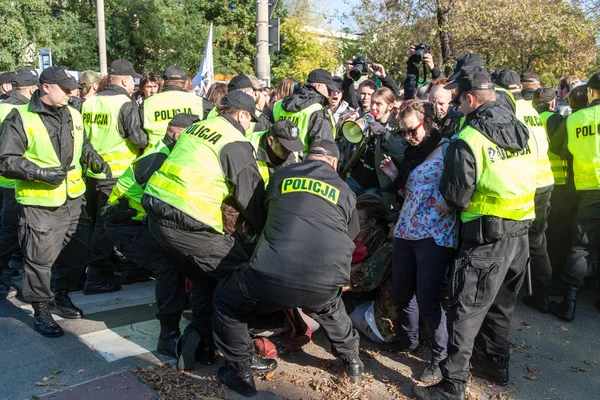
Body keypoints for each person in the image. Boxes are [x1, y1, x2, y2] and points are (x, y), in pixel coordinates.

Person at [414, 72, 536, 399]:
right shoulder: (520, 127)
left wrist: (444, 205)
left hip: (485, 237)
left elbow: (455, 195)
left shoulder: (469, 137)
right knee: (500, 307)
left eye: (457, 100)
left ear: (470, 99)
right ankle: (496, 367)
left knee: (465, 312)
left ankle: (452, 388)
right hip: (521, 233)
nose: (455, 106)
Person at [212, 139, 363, 397]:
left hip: (271, 274)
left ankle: (241, 373)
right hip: (323, 280)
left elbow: (265, 214)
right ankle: (353, 362)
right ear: (334, 163)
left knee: (227, 302)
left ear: (307, 158)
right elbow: (352, 233)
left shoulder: (282, 175)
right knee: (331, 307)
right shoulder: (344, 190)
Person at [142, 91, 265, 371]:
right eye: (250, 121)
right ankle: (242, 356)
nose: (250, 127)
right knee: (240, 277)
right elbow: (251, 195)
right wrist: (265, 228)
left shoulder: (198, 127)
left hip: (158, 214)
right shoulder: (234, 139)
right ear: (242, 115)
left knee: (204, 280)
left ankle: (201, 343)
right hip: (189, 222)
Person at [0, 67, 111, 337]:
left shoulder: (73, 112)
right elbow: (6, 160)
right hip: (40, 202)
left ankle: (61, 295)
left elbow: (81, 143)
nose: (72, 93)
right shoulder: (20, 117)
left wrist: (92, 156)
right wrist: (39, 173)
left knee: (75, 254)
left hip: (74, 198)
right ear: (46, 87)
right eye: (65, 88)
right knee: (39, 260)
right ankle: (41, 310)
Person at [103, 113, 198, 357]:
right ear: (177, 134)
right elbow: (161, 204)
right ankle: (168, 333)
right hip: (126, 225)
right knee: (169, 262)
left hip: (142, 221)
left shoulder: (174, 152)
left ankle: (187, 302)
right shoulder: (156, 158)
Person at [379, 100, 458, 383]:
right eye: (404, 133)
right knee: (402, 290)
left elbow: (463, 181)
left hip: (434, 233)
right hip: (406, 229)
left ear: (429, 122)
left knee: (429, 299)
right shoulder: (414, 154)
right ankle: (409, 340)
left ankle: (438, 358)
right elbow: (411, 193)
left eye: (412, 130)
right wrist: (394, 176)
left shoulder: (448, 149)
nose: (409, 137)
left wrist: (451, 199)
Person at [82, 59, 148, 294]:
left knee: (96, 223)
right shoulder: (125, 104)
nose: (134, 85)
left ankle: (105, 268)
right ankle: (96, 275)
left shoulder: (90, 103)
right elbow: (140, 140)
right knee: (106, 225)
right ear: (124, 80)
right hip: (118, 174)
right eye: (133, 80)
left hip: (93, 173)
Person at [495, 70, 555, 314]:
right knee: (537, 241)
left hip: (525, 184)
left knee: (514, 241)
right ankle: (543, 293)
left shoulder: (508, 112)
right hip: (544, 182)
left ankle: (507, 295)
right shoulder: (532, 111)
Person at [548, 72, 600, 321]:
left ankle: (568, 305)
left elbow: (557, 148)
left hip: (588, 189)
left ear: (591, 93)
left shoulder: (574, 119)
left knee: (581, 247)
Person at [0, 68, 39, 298]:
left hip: (4, 178)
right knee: (13, 228)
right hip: (15, 179)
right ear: (33, 88)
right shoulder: (22, 110)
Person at [342, 87, 407, 205]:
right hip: (355, 178)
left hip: (376, 186)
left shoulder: (396, 127)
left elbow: (401, 152)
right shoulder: (367, 117)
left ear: (390, 106)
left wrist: (384, 132)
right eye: (372, 102)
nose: (373, 107)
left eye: (378, 104)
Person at [273, 69, 337, 154]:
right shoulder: (317, 111)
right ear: (318, 86)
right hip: (304, 164)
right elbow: (321, 150)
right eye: (329, 89)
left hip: (278, 161)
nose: (330, 94)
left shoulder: (278, 105)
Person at [142, 65, 204, 149]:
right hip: (186, 153)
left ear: (162, 82)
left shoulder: (146, 103)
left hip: (155, 155)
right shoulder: (199, 102)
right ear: (185, 83)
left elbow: (139, 138)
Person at [246, 119, 304, 185]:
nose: (290, 151)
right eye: (285, 147)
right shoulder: (248, 149)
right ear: (271, 141)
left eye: (292, 146)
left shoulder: (293, 150)